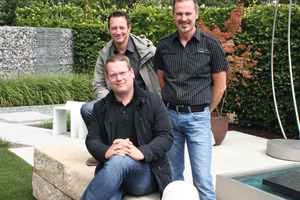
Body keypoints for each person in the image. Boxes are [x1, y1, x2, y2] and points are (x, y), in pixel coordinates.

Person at [153, 0, 230, 199]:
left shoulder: (211, 44)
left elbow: (220, 86)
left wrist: (204, 111)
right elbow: (162, 81)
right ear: (173, 16)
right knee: (173, 177)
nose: (183, 18)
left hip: (198, 119)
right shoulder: (163, 45)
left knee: (202, 179)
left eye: (188, 13)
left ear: (196, 14)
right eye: (179, 13)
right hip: (170, 118)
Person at [80, 54, 173, 200]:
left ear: (132, 73)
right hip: (112, 171)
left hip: (146, 173)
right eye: (113, 75)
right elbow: (92, 139)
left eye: (122, 73)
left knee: (120, 160)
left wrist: (141, 152)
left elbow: (166, 136)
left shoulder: (153, 101)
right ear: (107, 80)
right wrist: (106, 151)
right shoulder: (100, 107)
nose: (119, 78)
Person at [81, 11, 160, 166]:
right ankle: (106, 150)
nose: (118, 32)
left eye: (122, 27)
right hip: (114, 100)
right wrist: (112, 101)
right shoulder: (104, 55)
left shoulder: (148, 50)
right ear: (109, 30)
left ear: (129, 28)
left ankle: (141, 150)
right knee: (88, 109)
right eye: (114, 28)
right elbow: (98, 84)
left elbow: (162, 76)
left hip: (143, 102)